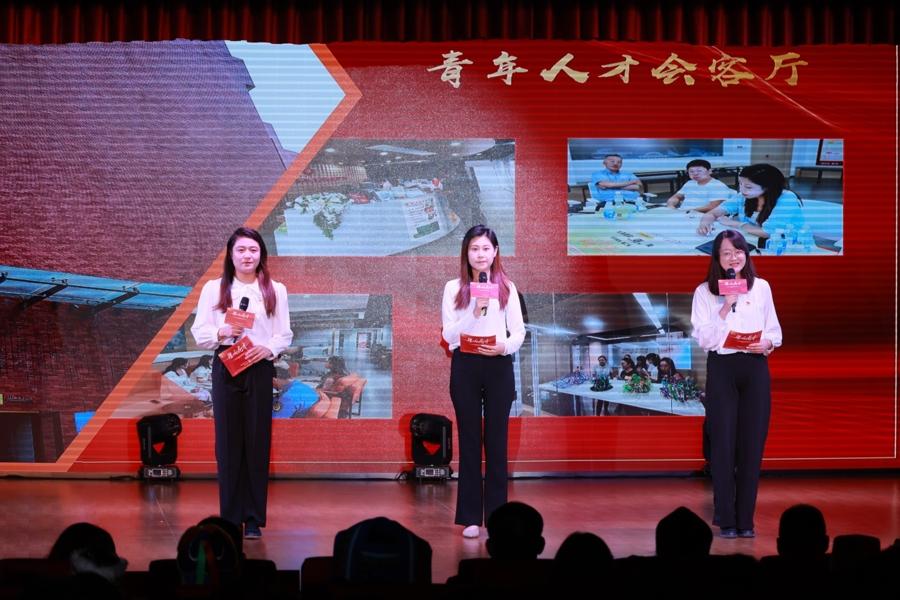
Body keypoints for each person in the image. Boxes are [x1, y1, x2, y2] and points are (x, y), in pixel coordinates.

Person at [190, 227, 293, 540]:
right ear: (231, 255)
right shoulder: (214, 288)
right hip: (226, 364)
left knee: (257, 441)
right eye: (241, 250)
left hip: (258, 366)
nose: (247, 256)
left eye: (253, 250)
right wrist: (221, 332)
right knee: (227, 443)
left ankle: (253, 518)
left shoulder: (275, 289)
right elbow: (200, 331)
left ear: (261, 254)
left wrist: (269, 348)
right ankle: (230, 517)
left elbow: (283, 333)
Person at [691, 230, 782, 538]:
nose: (734, 258)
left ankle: (746, 521)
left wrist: (767, 343)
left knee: (752, 445)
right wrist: (724, 306)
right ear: (717, 258)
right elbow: (705, 339)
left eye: (738, 251)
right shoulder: (705, 292)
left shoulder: (762, 287)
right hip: (722, 368)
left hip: (754, 368)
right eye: (727, 253)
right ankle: (726, 519)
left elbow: (774, 331)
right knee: (723, 444)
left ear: (746, 254)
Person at [441, 224, 525, 539]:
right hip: (465, 365)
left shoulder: (507, 287)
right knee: (470, 440)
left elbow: (518, 331)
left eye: (485, 249)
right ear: (466, 253)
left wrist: (504, 347)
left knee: (497, 441)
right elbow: (449, 334)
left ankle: (498, 517)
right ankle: (470, 517)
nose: (480, 255)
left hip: (498, 365)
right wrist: (474, 311)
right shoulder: (453, 288)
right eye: (474, 249)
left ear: (495, 252)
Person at [697, 163, 804, 250]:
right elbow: (713, 213)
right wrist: (704, 223)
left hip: (786, 245)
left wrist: (734, 223)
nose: (742, 190)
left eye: (748, 187)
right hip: (752, 240)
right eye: (740, 184)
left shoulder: (786, 198)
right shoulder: (744, 196)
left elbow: (767, 232)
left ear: (768, 186)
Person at [666, 159, 732, 212]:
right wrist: (671, 206)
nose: (695, 174)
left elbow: (713, 207)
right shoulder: (690, 183)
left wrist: (688, 211)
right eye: (691, 171)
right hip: (684, 213)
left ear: (709, 171)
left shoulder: (718, 186)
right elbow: (676, 197)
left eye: (699, 171)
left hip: (703, 216)